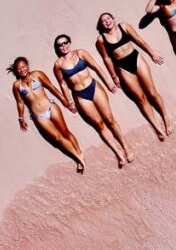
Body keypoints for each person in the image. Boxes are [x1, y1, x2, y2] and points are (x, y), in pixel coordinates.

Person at [52, 34, 134, 168]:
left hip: (94, 88)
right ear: (57, 48)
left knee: (109, 119)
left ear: (69, 42)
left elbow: (96, 67)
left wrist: (108, 82)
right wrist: (70, 102)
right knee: (99, 125)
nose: (63, 46)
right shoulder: (58, 65)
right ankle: (118, 153)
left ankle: (126, 147)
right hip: (80, 95)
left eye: (65, 42)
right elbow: (63, 84)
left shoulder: (80, 53)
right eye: (60, 45)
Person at [95, 12, 172, 140]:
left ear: (113, 19)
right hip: (122, 67)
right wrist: (114, 76)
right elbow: (107, 59)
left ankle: (165, 117)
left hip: (136, 59)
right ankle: (156, 127)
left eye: (108, 18)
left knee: (152, 93)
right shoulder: (101, 40)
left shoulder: (124, 27)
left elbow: (139, 40)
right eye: (103, 20)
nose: (107, 21)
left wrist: (152, 53)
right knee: (140, 98)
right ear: (101, 25)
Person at [8, 56, 86, 174]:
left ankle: (80, 152)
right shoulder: (16, 86)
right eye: (19, 69)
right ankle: (78, 158)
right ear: (16, 71)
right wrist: (21, 118)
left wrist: (66, 102)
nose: (22, 70)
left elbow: (52, 88)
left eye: (24, 66)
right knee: (57, 138)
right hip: (39, 116)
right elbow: (20, 102)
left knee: (65, 132)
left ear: (28, 66)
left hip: (51, 108)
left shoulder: (38, 75)